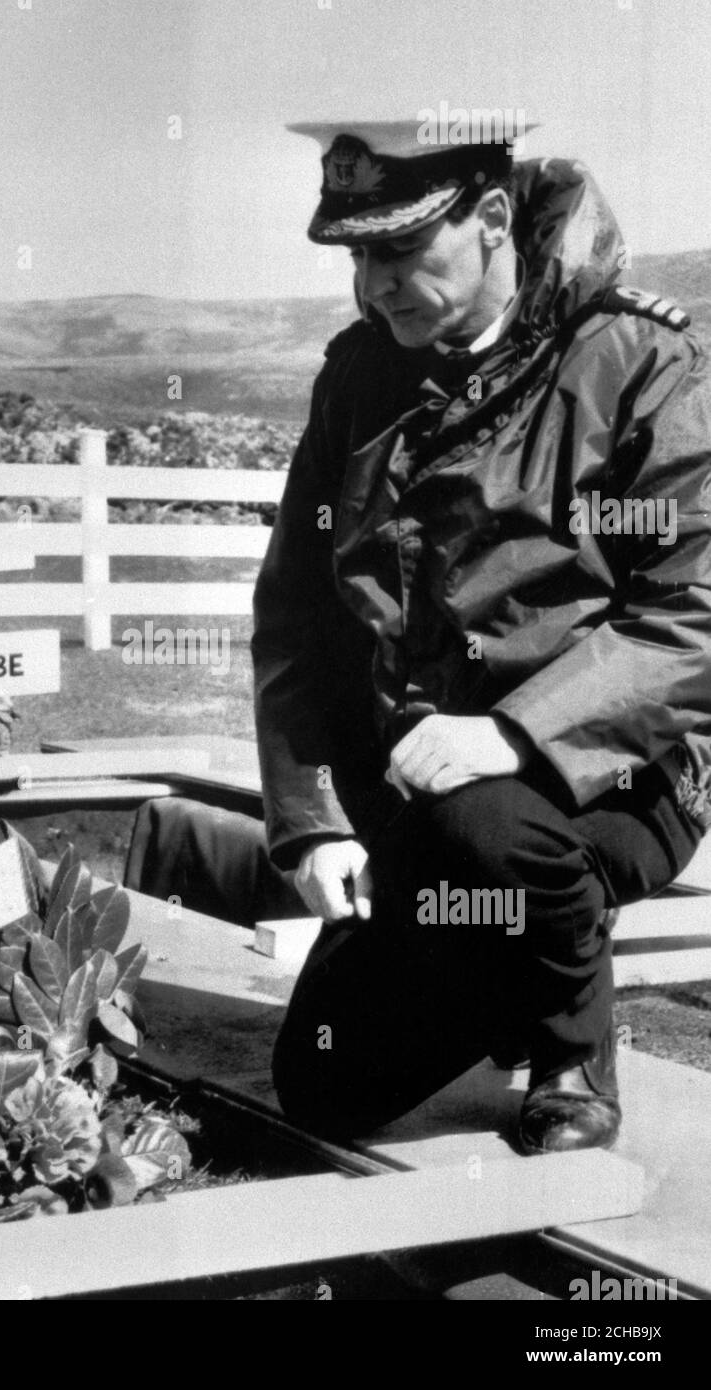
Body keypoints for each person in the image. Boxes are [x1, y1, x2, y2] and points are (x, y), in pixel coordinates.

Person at [251, 119, 711, 1154]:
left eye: (400, 250)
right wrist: (311, 815)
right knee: (323, 1080)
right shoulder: (360, 377)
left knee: (488, 831)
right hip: (422, 791)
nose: (373, 286)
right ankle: (511, 963)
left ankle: (569, 1052)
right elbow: (297, 616)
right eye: (357, 255)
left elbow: (693, 614)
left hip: (615, 780)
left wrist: (513, 733)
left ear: (494, 218)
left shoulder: (637, 360)